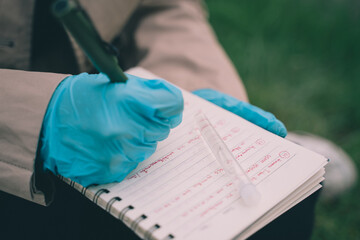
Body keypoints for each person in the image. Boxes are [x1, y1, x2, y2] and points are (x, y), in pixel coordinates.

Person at [0, 0, 352, 239]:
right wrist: (38, 117)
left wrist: (195, 91)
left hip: (113, 99)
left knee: (283, 211)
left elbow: (163, 6)